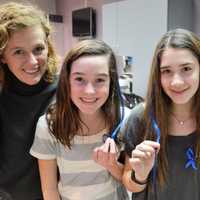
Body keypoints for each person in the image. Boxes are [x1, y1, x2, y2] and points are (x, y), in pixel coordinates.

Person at [30, 39, 129, 200]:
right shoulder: (49, 126)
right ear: (66, 81)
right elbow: (49, 190)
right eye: (79, 79)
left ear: (112, 83)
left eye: (100, 80)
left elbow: (127, 180)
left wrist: (111, 164)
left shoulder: (123, 120)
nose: (89, 91)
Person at [122, 28, 200, 200]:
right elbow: (128, 180)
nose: (176, 82)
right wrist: (140, 175)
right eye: (166, 71)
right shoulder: (141, 117)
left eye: (186, 68)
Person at [0, 2, 59, 200]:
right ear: (3, 56)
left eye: (38, 49)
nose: (33, 61)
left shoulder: (66, 90)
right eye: (18, 52)